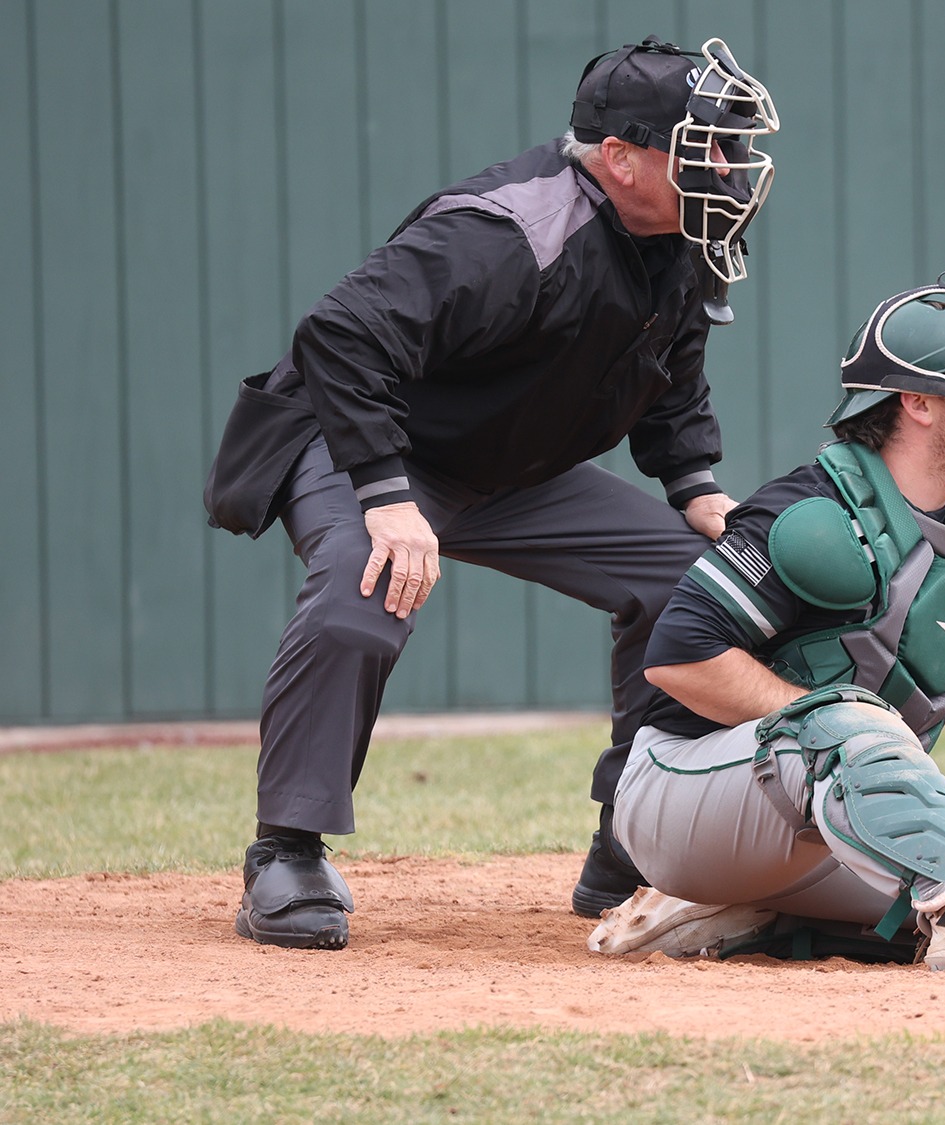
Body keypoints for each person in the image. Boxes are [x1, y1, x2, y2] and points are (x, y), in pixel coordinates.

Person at [201, 37, 779, 949]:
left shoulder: (682, 228)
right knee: (368, 588)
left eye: (730, 144)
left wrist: (695, 487)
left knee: (688, 581)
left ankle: (630, 837)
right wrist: (388, 499)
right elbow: (342, 333)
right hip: (364, 443)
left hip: (504, 468)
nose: (729, 166)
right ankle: (285, 852)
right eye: (703, 145)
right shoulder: (510, 229)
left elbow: (671, 369)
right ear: (620, 158)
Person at [583, 278, 945, 970]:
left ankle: (743, 915)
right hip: (679, 794)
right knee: (850, 727)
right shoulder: (813, 515)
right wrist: (829, 722)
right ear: (917, 401)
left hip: (810, 827)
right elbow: (678, 656)